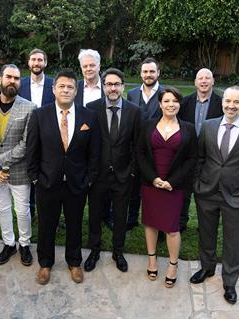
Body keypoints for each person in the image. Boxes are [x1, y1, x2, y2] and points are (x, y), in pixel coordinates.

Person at [190, 86, 239, 304]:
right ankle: (207, 267)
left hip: (237, 196)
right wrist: (197, 185)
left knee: (233, 241)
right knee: (207, 234)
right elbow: (200, 158)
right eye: (228, 101)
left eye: (237, 102)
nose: (231, 106)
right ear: (222, 102)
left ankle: (230, 282)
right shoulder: (208, 126)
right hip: (207, 192)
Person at [27, 69, 100, 285]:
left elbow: (94, 152)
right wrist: (35, 177)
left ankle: (74, 262)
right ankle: (45, 263)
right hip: (47, 182)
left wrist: (89, 178)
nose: (66, 90)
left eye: (70, 87)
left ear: (76, 90)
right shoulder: (40, 115)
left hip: (77, 184)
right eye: (62, 86)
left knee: (75, 224)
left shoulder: (89, 116)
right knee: (46, 225)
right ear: (54, 89)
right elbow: (32, 149)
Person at [0, 64, 36, 266]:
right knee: (2, 208)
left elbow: (26, 144)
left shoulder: (29, 107)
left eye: (17, 78)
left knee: (22, 210)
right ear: (0, 80)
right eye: (9, 77)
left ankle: (25, 244)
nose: (12, 81)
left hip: (19, 171)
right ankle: (9, 244)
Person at [137, 87, 197, 287]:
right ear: (160, 104)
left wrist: (172, 181)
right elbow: (140, 155)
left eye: (175, 101)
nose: (171, 104)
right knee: (151, 223)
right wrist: (153, 178)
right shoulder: (148, 125)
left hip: (174, 186)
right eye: (167, 101)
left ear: (179, 104)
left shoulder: (188, 128)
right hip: (151, 184)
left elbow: (191, 159)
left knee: (172, 229)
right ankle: (152, 259)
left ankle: (173, 264)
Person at [85, 68, 141, 273]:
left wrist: (132, 171)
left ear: (123, 86)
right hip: (98, 175)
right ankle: (94, 251)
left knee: (120, 216)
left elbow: (138, 145)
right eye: (109, 84)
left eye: (117, 84)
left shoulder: (134, 111)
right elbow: (87, 143)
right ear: (103, 87)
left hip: (123, 175)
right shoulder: (91, 109)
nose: (113, 88)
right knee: (95, 215)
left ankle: (118, 252)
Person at [177, 68, 223, 232]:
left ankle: (205, 226)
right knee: (183, 194)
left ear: (213, 81)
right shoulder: (185, 102)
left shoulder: (221, 103)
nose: (204, 81)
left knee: (207, 194)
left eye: (207, 78)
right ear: (195, 82)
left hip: (210, 156)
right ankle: (181, 223)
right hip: (187, 156)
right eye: (200, 78)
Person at [127, 57, 165, 231]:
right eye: (145, 71)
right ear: (141, 73)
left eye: (152, 71)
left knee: (155, 188)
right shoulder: (132, 94)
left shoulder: (166, 94)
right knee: (134, 187)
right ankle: (132, 218)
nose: (148, 75)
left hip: (158, 148)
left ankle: (156, 222)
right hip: (135, 148)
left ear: (158, 73)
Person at [17, 48, 55, 220]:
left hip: (49, 137)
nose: (36, 63)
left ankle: (47, 211)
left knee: (48, 174)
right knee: (29, 173)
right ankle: (30, 211)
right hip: (25, 136)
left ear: (45, 63)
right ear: (29, 62)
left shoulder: (54, 85)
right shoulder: (20, 84)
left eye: (40, 60)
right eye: (33, 59)